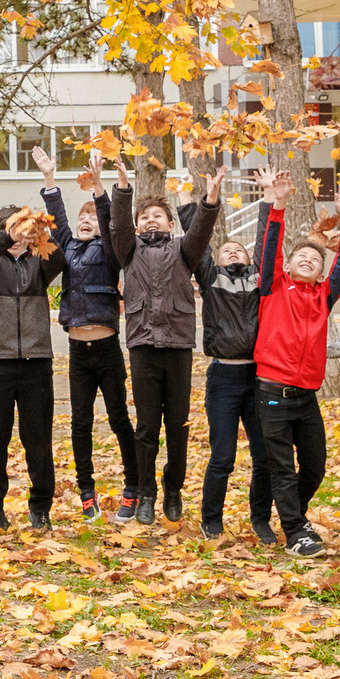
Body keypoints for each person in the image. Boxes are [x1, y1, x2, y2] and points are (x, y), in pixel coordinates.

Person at [253, 170, 340, 557]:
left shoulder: (322, 298)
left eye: (316, 258)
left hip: (306, 395)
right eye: (302, 256)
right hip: (273, 393)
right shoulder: (272, 287)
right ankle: (296, 532)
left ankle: (290, 515)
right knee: (281, 467)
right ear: (289, 264)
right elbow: (269, 247)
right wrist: (277, 205)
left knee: (314, 466)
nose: (310, 260)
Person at [110, 166, 219, 525]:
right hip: (143, 346)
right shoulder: (129, 251)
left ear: (171, 224)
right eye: (145, 217)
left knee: (177, 425)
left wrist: (210, 199)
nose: (151, 221)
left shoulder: (184, 251)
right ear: (138, 225)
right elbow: (120, 224)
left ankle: (173, 489)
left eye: (158, 215)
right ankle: (146, 493)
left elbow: (201, 230)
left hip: (177, 347)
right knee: (146, 427)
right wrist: (124, 188)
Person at [35, 145, 138, 522]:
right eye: (84, 217)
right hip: (78, 353)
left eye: (92, 218)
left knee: (118, 419)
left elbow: (110, 221)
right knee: (79, 422)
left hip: (107, 348)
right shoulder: (68, 251)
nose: (85, 221)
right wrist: (49, 178)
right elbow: (57, 219)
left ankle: (133, 487)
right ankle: (86, 491)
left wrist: (98, 188)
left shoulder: (110, 253)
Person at [0, 198, 65, 528]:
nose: (20, 232)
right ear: (2, 231)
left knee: (38, 438)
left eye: (24, 226)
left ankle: (40, 507)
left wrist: (39, 232)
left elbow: (61, 256)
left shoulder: (39, 263)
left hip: (36, 361)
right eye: (14, 226)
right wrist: (5, 237)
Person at [192, 172, 272, 542]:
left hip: (258, 377)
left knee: (264, 455)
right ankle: (212, 519)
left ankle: (261, 519)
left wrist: (270, 199)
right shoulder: (210, 277)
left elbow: (265, 238)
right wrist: (209, 197)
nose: (234, 253)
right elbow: (199, 240)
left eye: (239, 250)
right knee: (222, 456)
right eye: (227, 251)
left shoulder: (259, 277)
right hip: (223, 377)